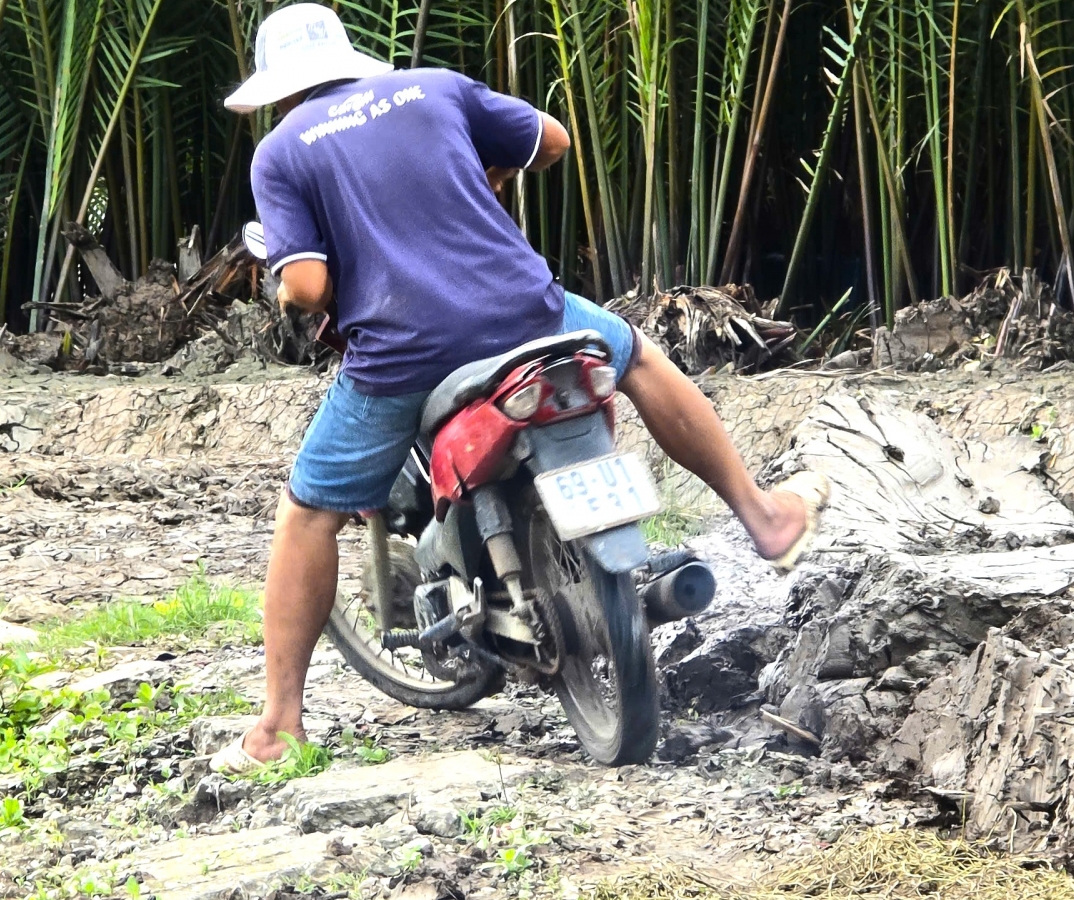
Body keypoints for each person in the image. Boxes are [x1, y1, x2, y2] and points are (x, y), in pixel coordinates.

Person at [212, 3, 830, 772]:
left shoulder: (281, 152)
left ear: (278, 90)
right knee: (637, 357)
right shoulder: (433, 87)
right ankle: (765, 515)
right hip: (526, 312)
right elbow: (554, 140)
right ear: (349, 59)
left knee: (307, 512)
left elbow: (307, 284)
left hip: (404, 356)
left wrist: (289, 290)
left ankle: (277, 729)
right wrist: (491, 177)